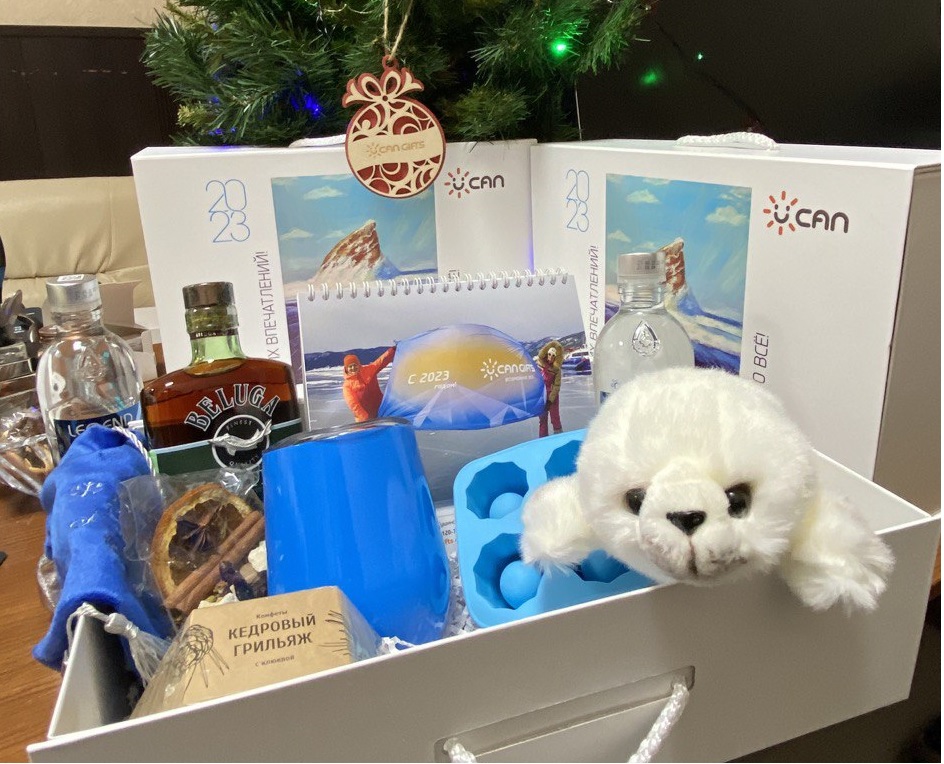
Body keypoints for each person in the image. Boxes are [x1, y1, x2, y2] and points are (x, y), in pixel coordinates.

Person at [341, 346, 396, 422]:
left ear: (358, 364)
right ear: (346, 368)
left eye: (355, 365)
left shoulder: (369, 370)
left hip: (381, 410)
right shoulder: (347, 385)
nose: (353, 368)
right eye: (350, 366)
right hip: (364, 419)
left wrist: (392, 351)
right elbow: (353, 404)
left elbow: (381, 361)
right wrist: (365, 418)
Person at [536, 340, 564, 438]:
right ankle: (543, 439)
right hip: (542, 396)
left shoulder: (556, 370)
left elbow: (557, 386)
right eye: (549, 354)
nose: (551, 357)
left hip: (552, 397)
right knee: (542, 419)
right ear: (546, 353)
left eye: (553, 355)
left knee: (555, 418)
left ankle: (559, 437)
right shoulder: (539, 364)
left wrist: (550, 400)